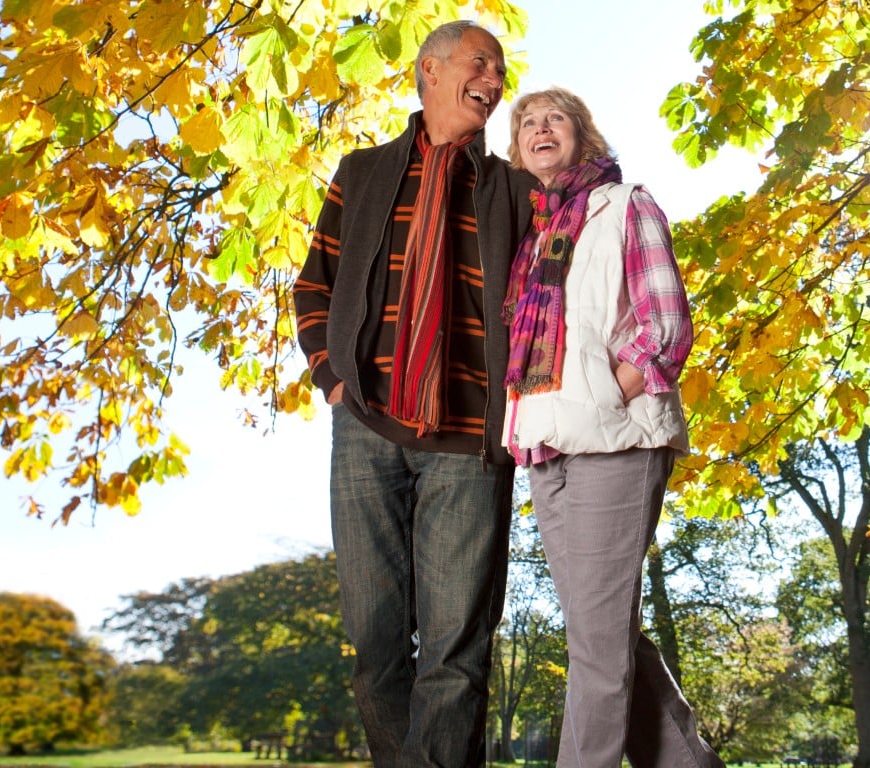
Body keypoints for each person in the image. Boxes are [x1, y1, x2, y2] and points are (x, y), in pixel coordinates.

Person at [292, 20, 535, 767]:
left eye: (499, 72)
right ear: (430, 70)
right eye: (480, 64)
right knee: (374, 644)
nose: (495, 83)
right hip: (366, 429)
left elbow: (550, 302)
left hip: (469, 442)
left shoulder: (516, 190)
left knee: (457, 650)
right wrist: (333, 381)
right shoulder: (361, 172)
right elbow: (313, 285)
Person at [502, 87, 725, 768]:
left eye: (555, 119)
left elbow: (666, 326)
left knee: (594, 648)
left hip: (618, 438)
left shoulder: (625, 204)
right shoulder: (528, 237)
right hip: (545, 447)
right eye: (528, 123)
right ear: (517, 148)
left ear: (583, 136)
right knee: (604, 636)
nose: (541, 129)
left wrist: (606, 394)